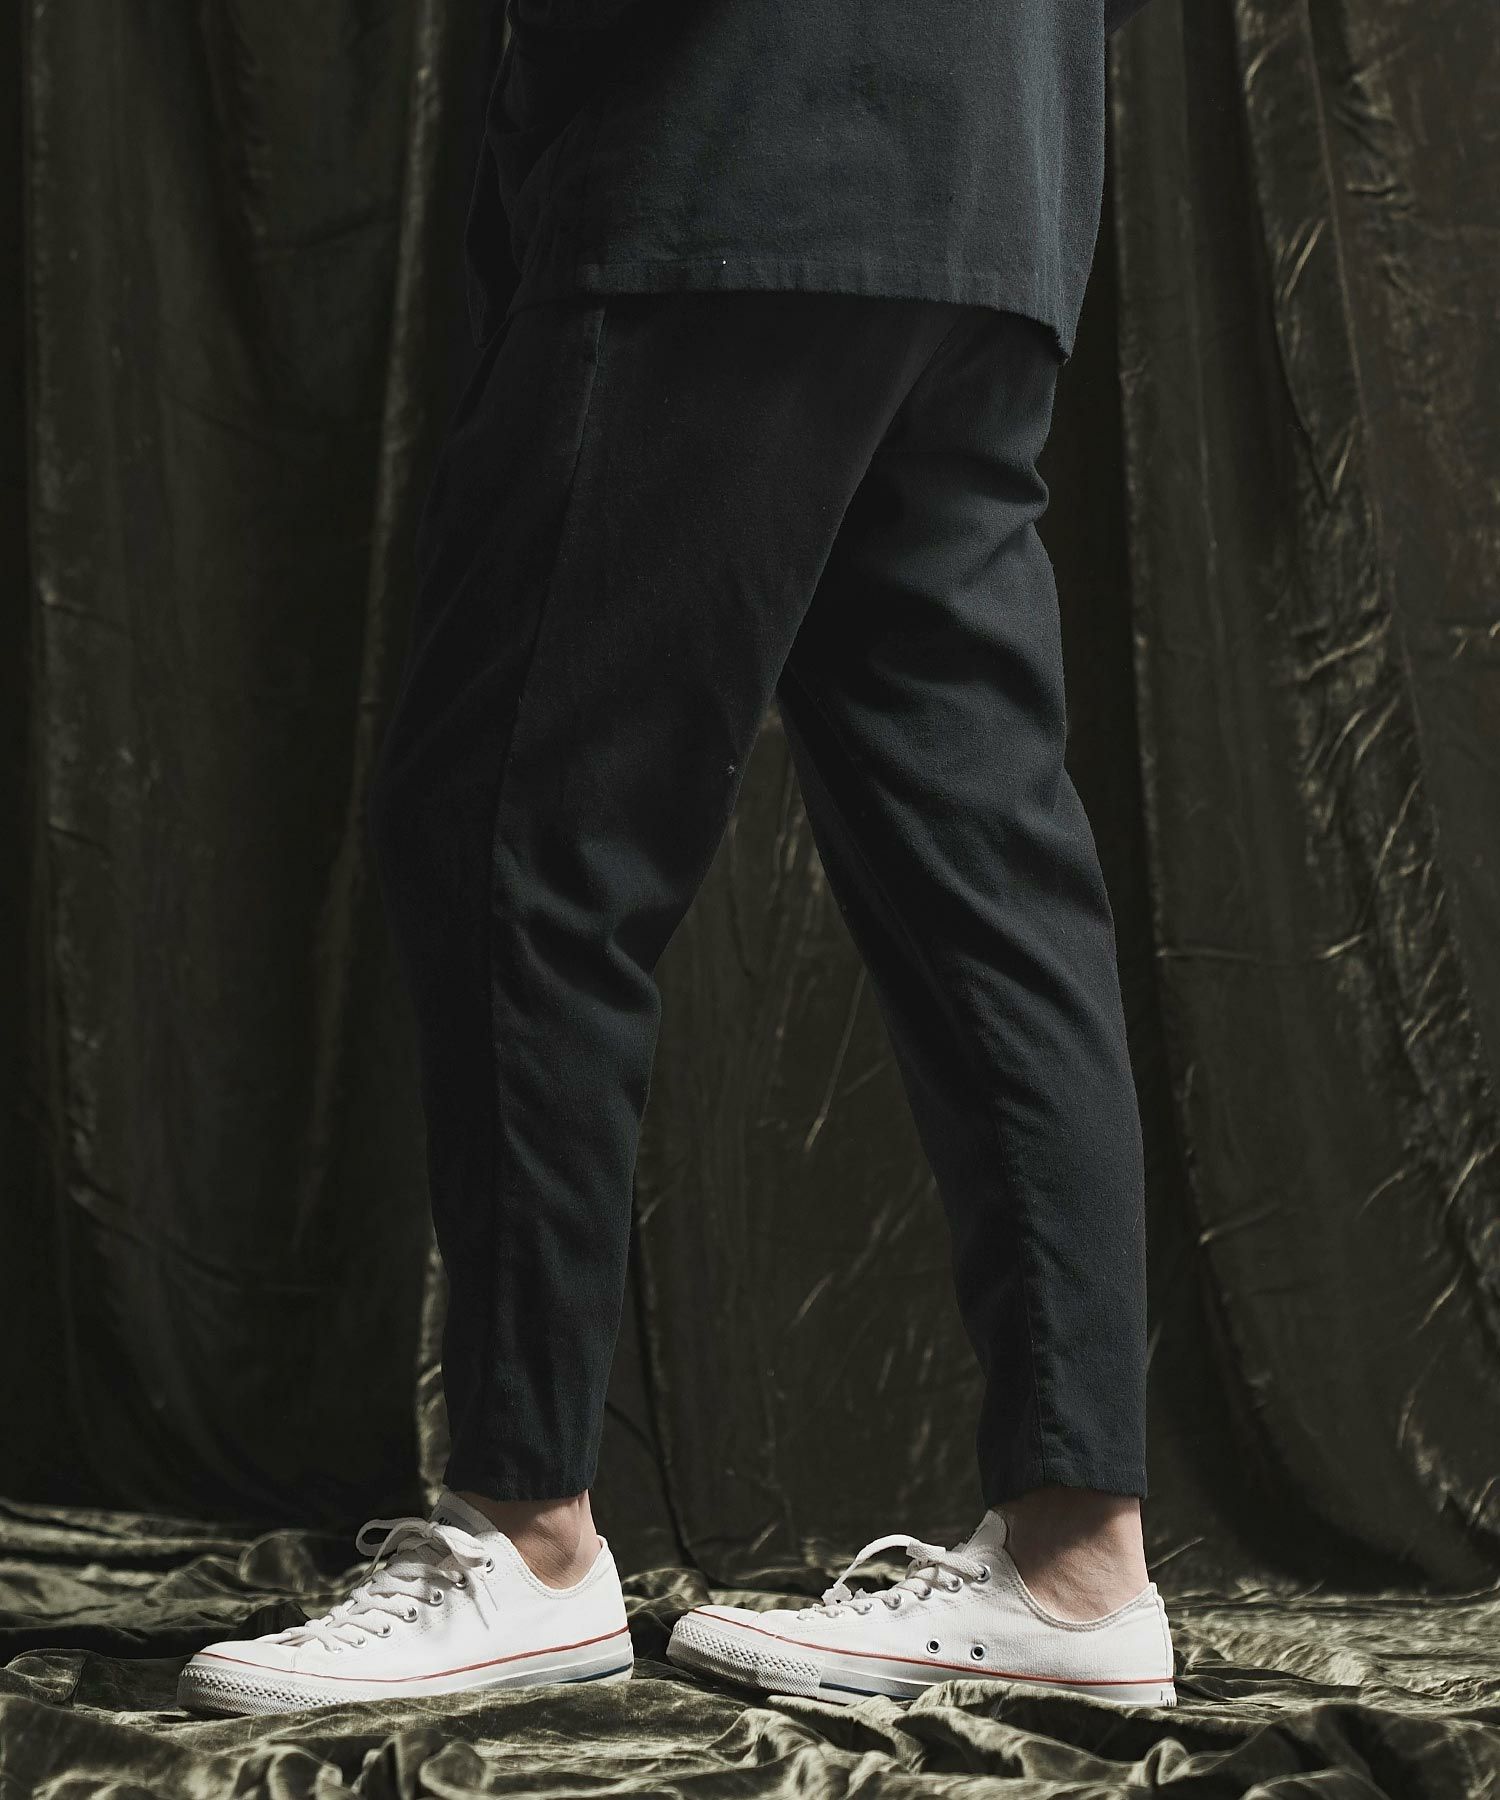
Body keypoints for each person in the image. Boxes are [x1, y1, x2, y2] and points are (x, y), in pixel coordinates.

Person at [177, 0, 1176, 1717]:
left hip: (734, 138)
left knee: (517, 825)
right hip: (990, 178)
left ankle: (524, 1537)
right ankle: (1083, 1564)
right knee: (985, 867)